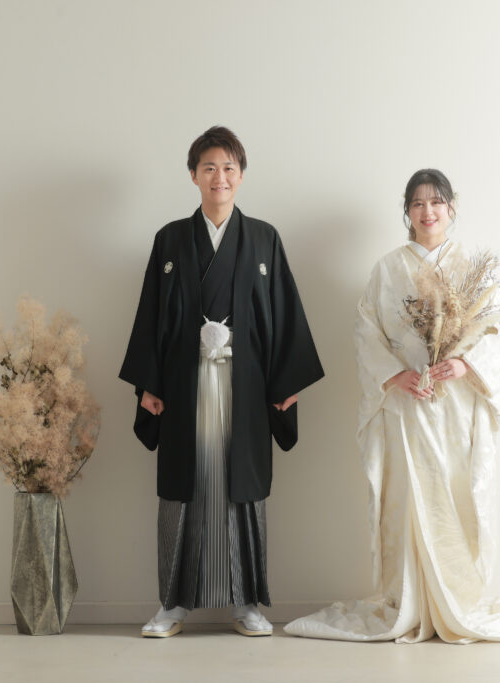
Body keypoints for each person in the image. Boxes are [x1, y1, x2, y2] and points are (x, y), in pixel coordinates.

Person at [284, 169, 500, 643]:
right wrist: (394, 375)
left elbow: (495, 327)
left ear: (451, 207)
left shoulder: (471, 268)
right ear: (407, 212)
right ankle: (411, 600)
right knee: (407, 497)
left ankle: (456, 598)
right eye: (418, 203)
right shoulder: (387, 269)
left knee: (455, 493)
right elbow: (366, 330)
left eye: (436, 202)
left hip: (455, 406)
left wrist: (464, 365)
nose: (428, 211)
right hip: (405, 403)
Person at [120, 126, 324, 638]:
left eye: (229, 167)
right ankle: (171, 605)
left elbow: (284, 314)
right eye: (209, 167)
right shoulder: (170, 239)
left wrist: (286, 382)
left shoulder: (263, 239)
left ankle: (247, 603)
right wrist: (148, 384)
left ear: (241, 176)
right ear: (193, 175)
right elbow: (150, 315)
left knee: (243, 486)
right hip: (183, 383)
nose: (220, 177)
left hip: (246, 385)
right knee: (183, 487)